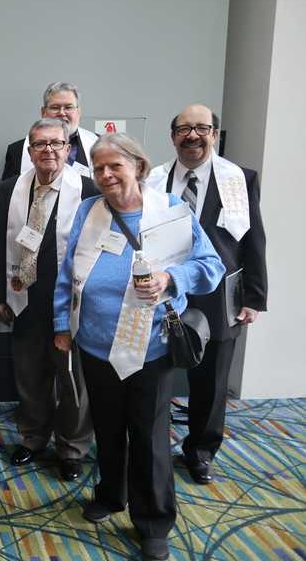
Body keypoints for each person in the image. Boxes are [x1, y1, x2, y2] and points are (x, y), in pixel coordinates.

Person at [53, 133, 224, 561]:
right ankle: (111, 494)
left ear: (138, 167)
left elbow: (211, 266)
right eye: (99, 169)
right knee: (108, 429)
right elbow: (67, 272)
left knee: (147, 437)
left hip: (151, 348)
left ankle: (153, 520)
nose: (107, 176)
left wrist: (171, 280)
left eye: (116, 166)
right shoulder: (89, 212)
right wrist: (62, 325)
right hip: (95, 345)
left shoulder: (170, 211)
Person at [148, 104, 267, 485]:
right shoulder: (154, 179)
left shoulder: (239, 179)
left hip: (219, 294)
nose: (193, 135)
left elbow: (253, 240)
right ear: (173, 136)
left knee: (212, 381)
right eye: (184, 128)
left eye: (202, 128)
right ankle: (151, 446)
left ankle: (200, 451)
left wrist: (254, 297)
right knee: (156, 373)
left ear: (215, 134)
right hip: (165, 289)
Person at [0, 118, 97, 480]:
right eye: (39, 144)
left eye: (56, 143)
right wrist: (0, 295)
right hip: (25, 298)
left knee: (71, 381)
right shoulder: (9, 189)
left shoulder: (87, 189)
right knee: (29, 377)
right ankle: (33, 438)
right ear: (30, 150)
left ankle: (71, 448)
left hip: (69, 303)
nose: (48, 150)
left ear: (68, 149)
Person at [1, 82, 97, 180]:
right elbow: (10, 191)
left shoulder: (98, 143)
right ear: (43, 112)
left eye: (68, 107)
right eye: (55, 108)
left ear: (79, 112)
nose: (62, 113)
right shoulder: (17, 151)